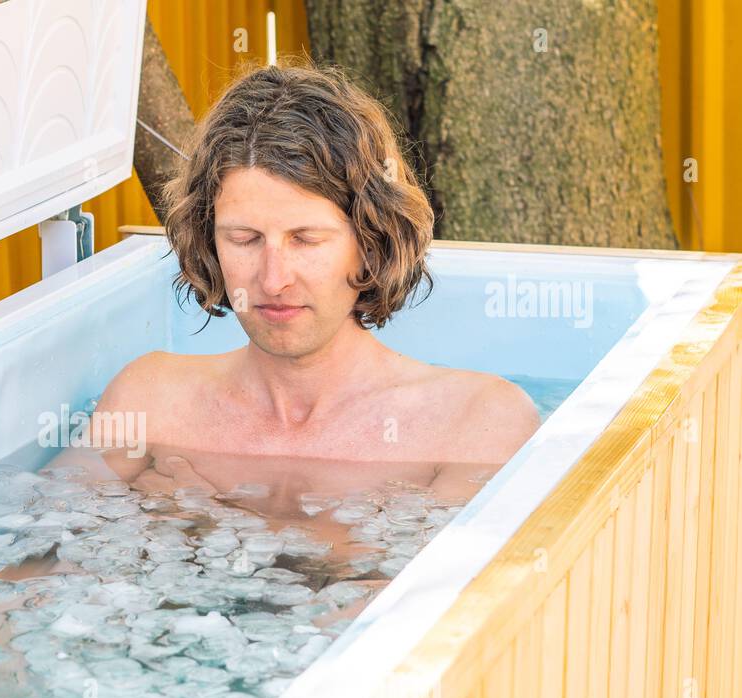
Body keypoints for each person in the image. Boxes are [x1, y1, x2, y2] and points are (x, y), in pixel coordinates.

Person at [70, 61, 540, 510]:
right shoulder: (152, 400)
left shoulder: (476, 421)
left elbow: (419, 592)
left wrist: (206, 523)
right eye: (245, 239)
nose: (273, 279)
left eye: (306, 240)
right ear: (209, 243)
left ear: (371, 240)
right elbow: (28, 567)